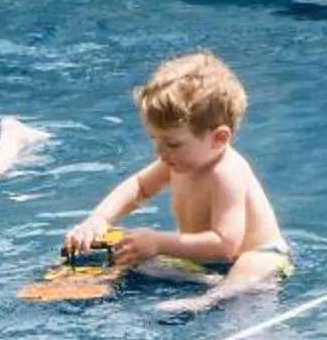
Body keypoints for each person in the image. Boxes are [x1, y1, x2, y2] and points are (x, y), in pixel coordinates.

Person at [62, 50, 291, 310]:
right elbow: (139, 187)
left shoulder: (227, 173)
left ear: (219, 138)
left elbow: (226, 243)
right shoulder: (178, 161)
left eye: (172, 143)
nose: (159, 151)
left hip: (255, 254)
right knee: (133, 249)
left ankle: (208, 299)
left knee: (253, 264)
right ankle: (205, 281)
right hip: (203, 261)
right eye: (154, 139)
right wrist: (98, 220)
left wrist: (159, 242)